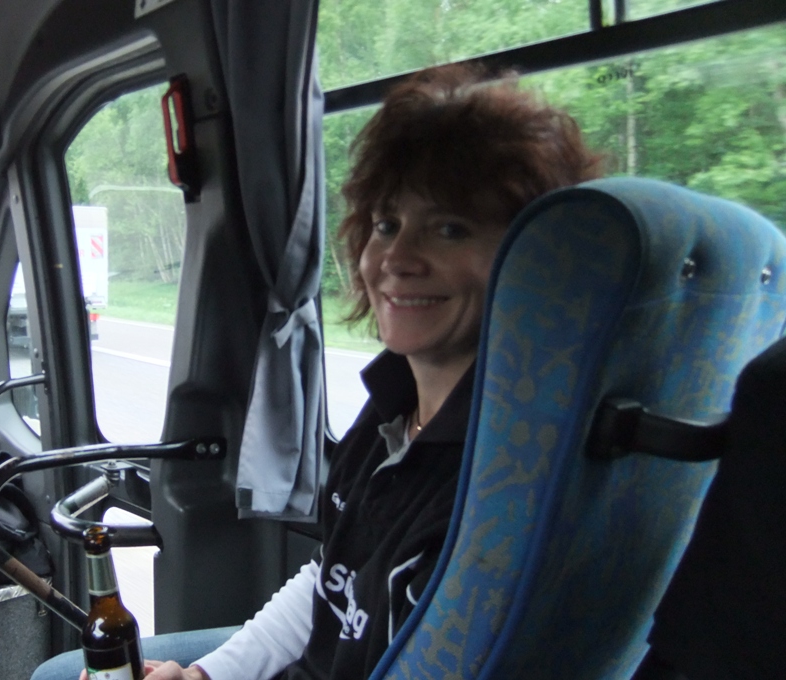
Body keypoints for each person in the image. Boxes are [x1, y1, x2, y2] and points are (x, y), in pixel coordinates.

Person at [32, 62, 602, 680]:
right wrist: (205, 676)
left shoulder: (501, 481)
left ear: (530, 258)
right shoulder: (391, 407)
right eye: (386, 224)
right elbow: (331, 582)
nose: (396, 258)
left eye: (449, 228)